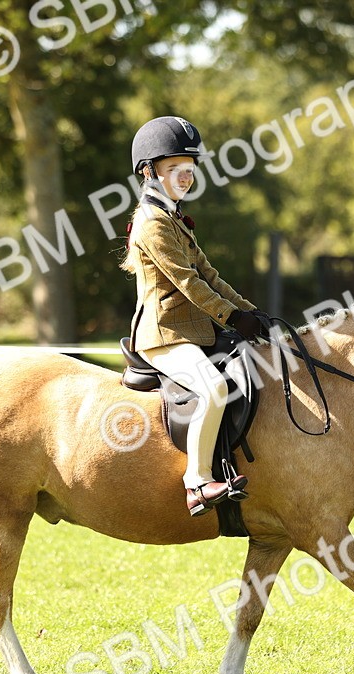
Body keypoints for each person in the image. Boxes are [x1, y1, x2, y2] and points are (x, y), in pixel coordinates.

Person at [120, 115, 267, 517]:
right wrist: (233, 319)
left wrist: (252, 313)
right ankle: (198, 482)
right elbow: (189, 283)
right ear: (150, 173)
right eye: (175, 170)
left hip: (191, 331)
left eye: (189, 170)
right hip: (163, 335)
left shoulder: (174, 219)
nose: (185, 177)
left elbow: (211, 275)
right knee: (214, 389)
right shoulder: (152, 224)